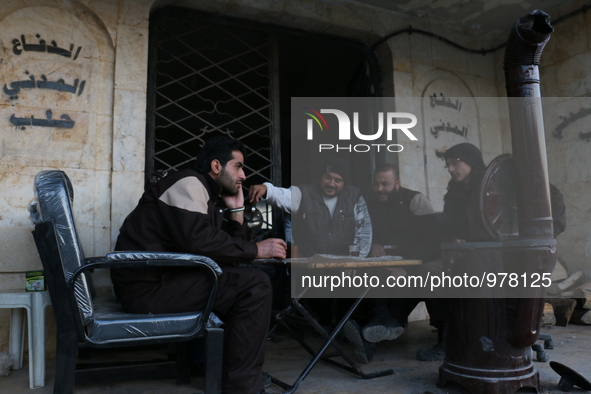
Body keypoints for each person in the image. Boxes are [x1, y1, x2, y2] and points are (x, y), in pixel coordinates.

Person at [111, 136, 287, 394]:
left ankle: (223, 369)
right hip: (148, 289)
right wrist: (256, 249)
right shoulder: (189, 183)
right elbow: (197, 240)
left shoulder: (207, 196)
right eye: (238, 166)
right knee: (255, 285)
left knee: (240, 279)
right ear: (217, 166)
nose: (244, 175)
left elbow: (223, 252)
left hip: (164, 282)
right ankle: (242, 386)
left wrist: (237, 213)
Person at [249, 158, 373, 361]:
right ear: (321, 176)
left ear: (345, 182)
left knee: (353, 285)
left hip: (345, 262)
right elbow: (284, 196)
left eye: (338, 180)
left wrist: (356, 260)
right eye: (328, 177)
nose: (331, 184)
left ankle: (344, 326)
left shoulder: (355, 196)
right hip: (313, 261)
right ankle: (326, 325)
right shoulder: (304, 192)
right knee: (314, 287)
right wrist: (267, 189)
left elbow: (364, 230)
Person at [341, 163, 447, 362]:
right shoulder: (370, 204)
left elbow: (430, 242)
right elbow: (362, 232)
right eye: (376, 184)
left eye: (385, 184)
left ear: (397, 183)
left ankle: (444, 340)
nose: (379, 188)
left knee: (424, 276)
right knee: (367, 276)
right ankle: (373, 333)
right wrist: (373, 244)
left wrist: (406, 268)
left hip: (418, 264)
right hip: (387, 266)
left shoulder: (415, 200)